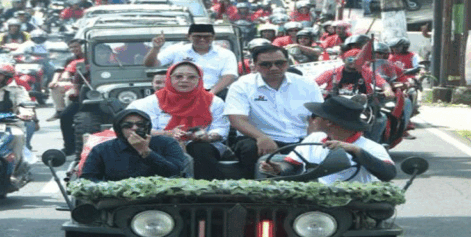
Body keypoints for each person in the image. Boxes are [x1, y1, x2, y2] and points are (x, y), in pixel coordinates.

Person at [224, 44, 323, 178]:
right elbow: (237, 119)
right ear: (255, 65)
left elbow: (317, 118)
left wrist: (310, 141)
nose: (274, 68)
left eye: (279, 63)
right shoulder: (242, 85)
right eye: (266, 64)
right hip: (259, 138)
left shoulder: (307, 84)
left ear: (287, 63)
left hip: (299, 138)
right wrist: (261, 137)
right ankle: (252, 191)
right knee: (250, 149)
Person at [259, 95, 396, 183]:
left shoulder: (369, 147)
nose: (312, 120)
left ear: (328, 122)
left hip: (352, 205)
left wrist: (355, 151)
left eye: (315, 116)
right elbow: (293, 165)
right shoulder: (315, 138)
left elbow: (388, 173)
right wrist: (278, 169)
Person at [128, 62, 230, 180]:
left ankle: (207, 190)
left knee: (201, 149)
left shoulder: (214, 102)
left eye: (191, 77)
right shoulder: (151, 102)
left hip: (202, 144)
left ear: (199, 79)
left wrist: (208, 136)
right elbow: (140, 129)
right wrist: (168, 134)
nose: (184, 80)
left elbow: (222, 127)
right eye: (178, 77)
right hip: (161, 142)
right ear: (169, 78)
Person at [80, 109, 187, 182]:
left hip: (161, 198)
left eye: (140, 125)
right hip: (118, 200)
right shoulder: (102, 149)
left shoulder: (167, 143)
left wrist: (146, 152)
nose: (134, 128)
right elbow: (88, 178)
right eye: (128, 125)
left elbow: (175, 173)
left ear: (147, 127)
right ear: (119, 129)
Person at [144, 23, 238, 97]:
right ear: (188, 37)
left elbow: (229, 76)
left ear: (213, 37)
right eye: (197, 36)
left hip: (215, 92)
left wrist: (210, 94)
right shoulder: (177, 50)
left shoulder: (226, 54)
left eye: (206, 37)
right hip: (181, 93)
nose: (202, 39)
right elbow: (151, 64)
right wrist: (155, 48)